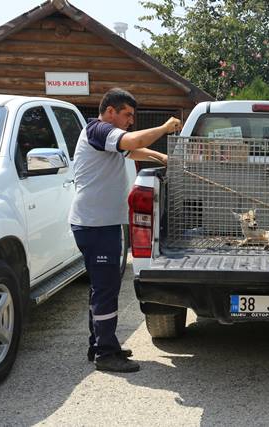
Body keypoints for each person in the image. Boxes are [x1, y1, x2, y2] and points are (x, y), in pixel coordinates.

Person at [69, 88, 182, 373]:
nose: (131, 120)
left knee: (101, 288)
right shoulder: (99, 130)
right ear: (110, 111)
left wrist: (160, 157)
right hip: (95, 225)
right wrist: (166, 128)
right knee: (106, 289)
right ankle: (106, 354)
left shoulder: (106, 138)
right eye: (127, 114)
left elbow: (132, 149)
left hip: (100, 223)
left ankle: (101, 344)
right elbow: (133, 140)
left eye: (133, 116)